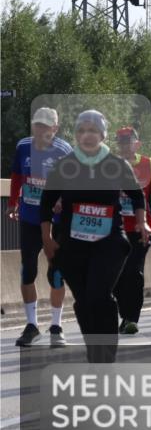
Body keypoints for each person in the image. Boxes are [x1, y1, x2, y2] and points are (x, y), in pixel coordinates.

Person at [40, 110, 148, 362]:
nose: (87, 135)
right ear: (76, 134)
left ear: (102, 135)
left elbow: (136, 195)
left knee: (99, 295)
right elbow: (45, 204)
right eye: (82, 130)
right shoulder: (65, 165)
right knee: (84, 300)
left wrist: (142, 222)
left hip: (108, 241)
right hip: (71, 243)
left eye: (92, 130)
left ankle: (106, 357)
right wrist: (47, 239)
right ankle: (94, 352)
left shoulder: (116, 164)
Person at [9, 107, 72, 347]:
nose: (40, 129)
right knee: (28, 270)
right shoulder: (23, 146)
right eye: (37, 124)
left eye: (46, 126)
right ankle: (31, 325)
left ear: (55, 128)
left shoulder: (65, 151)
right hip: (29, 218)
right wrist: (13, 202)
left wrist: (62, 200)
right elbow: (17, 176)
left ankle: (56, 326)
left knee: (56, 273)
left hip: (56, 222)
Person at [113, 127, 151, 334]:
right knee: (116, 275)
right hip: (116, 228)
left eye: (128, 141)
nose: (124, 145)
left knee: (133, 272)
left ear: (137, 144)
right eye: (121, 142)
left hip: (141, 228)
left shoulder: (148, 163)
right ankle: (124, 315)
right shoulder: (112, 165)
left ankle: (131, 318)